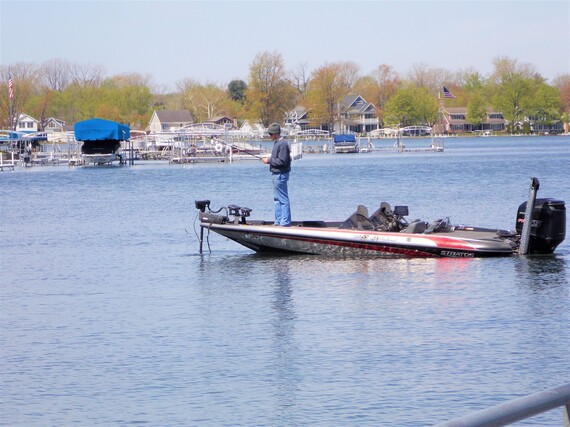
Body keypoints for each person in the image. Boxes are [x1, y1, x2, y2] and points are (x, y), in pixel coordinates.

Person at [262, 122, 292, 226]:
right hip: (275, 175)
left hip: (281, 175)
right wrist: (270, 160)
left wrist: (269, 161)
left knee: (283, 199)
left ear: (276, 134)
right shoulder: (277, 143)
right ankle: (278, 221)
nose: (269, 136)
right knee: (276, 199)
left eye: (270, 134)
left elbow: (282, 161)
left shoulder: (282, 144)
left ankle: (285, 222)